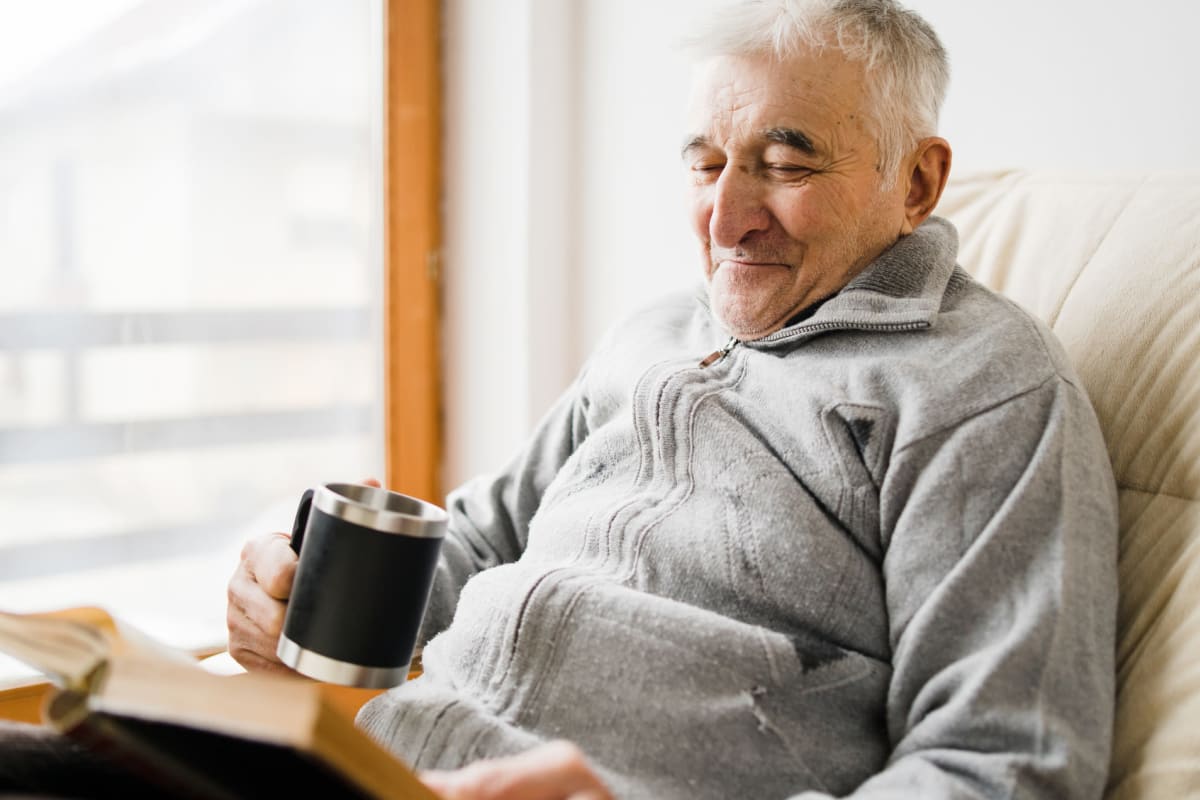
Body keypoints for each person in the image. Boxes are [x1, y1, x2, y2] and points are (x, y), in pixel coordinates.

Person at [237, 0, 1115, 798]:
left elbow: (1002, 768)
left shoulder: (981, 384)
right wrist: (288, 597)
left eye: (783, 164)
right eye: (704, 164)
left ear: (917, 183)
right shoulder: (653, 331)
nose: (726, 218)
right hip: (370, 759)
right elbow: (478, 540)